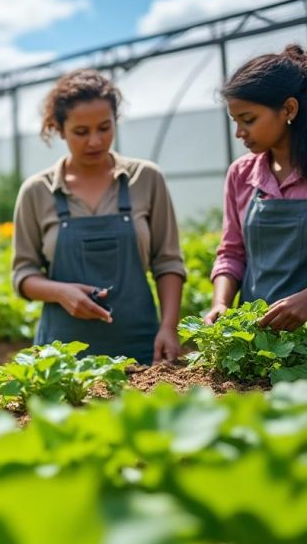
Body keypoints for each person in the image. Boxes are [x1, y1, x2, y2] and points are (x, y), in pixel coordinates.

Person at [12, 70, 186, 365]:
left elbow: (167, 262)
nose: (95, 141)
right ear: (60, 129)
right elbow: (23, 275)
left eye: (104, 128)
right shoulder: (37, 191)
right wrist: (61, 293)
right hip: (61, 358)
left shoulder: (145, 179)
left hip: (141, 349)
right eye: (81, 132)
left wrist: (169, 328)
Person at [206, 45, 307, 330]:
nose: (239, 133)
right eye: (235, 121)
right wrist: (221, 303)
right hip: (255, 336)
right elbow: (232, 252)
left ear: (288, 109)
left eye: (248, 120)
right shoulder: (241, 174)